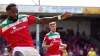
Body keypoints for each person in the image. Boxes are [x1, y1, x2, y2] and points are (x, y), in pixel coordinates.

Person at [0, 3, 72, 56]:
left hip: (31, 49)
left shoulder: (24, 18)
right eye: (13, 12)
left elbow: (42, 20)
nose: (16, 14)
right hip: (18, 49)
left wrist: (59, 17)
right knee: (17, 54)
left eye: (17, 11)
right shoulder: (3, 26)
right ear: (8, 13)